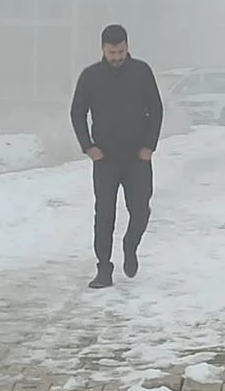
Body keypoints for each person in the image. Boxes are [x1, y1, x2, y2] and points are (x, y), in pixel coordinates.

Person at [70, 24, 164, 289]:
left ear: (127, 47)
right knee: (104, 215)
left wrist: (149, 146)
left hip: (138, 157)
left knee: (141, 210)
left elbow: (156, 109)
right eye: (112, 52)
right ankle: (104, 269)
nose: (117, 57)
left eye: (121, 51)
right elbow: (77, 113)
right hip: (105, 158)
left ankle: (130, 245)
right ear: (103, 49)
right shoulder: (91, 76)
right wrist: (88, 147)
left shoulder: (141, 72)